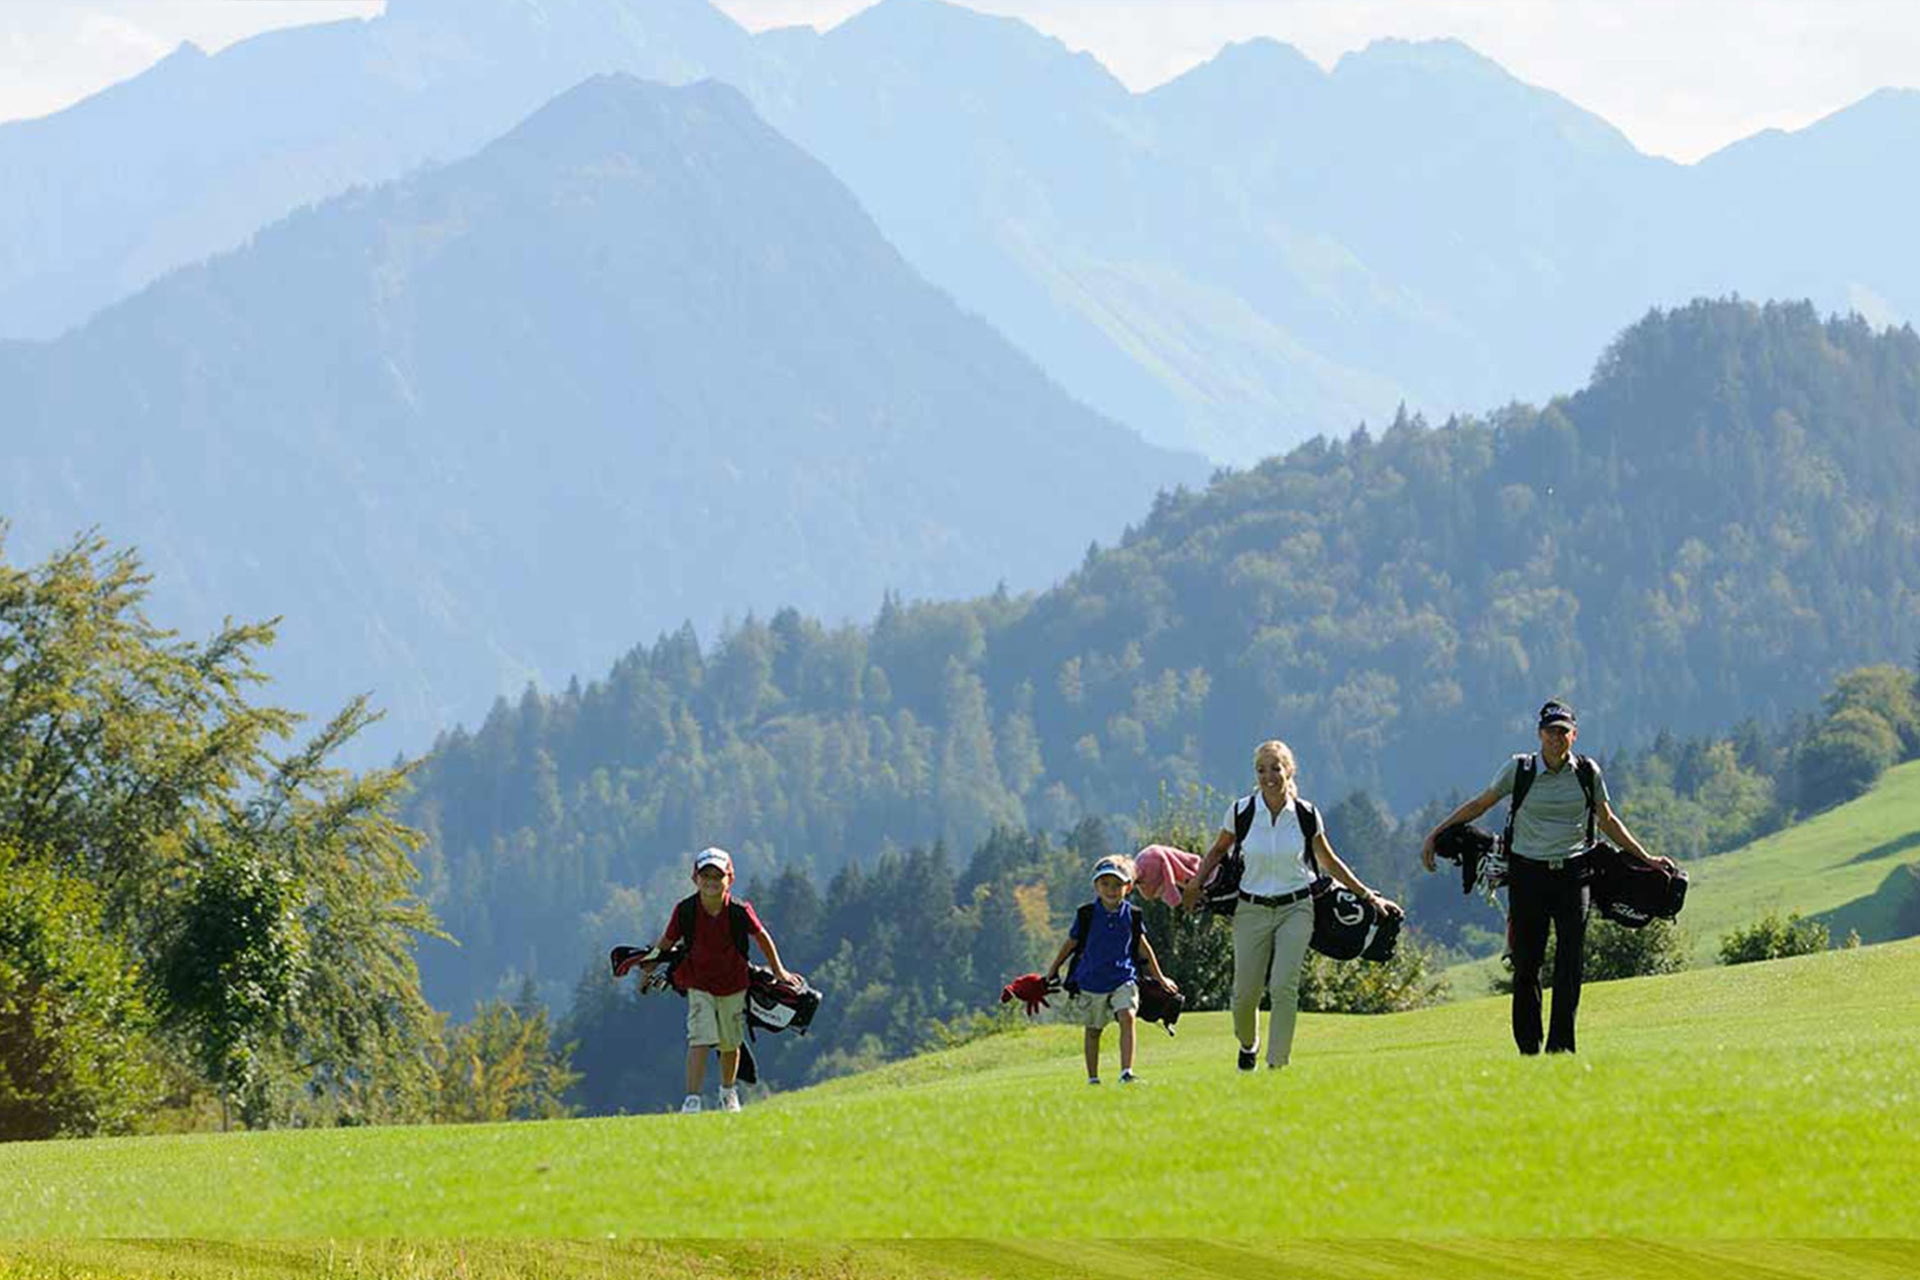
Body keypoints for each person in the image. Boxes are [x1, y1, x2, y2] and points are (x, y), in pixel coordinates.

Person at [1420, 699, 1674, 1055]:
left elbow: (1607, 820)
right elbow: (1480, 804)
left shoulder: (1587, 772)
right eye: (1551, 731)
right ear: (1540, 734)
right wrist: (1435, 834)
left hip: (1575, 875)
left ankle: (1561, 1049)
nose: (1556, 738)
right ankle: (1529, 1048)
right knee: (1527, 964)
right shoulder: (1519, 770)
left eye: (1563, 732)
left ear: (1574, 735)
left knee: (1570, 965)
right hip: (1528, 876)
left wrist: (1645, 858)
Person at [1180, 739, 1400, 1070]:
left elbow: (1329, 861)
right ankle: (1248, 1044)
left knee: (1284, 987)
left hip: (1296, 909)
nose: (1268, 776)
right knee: (1244, 995)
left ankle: (1277, 1065)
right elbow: (1217, 851)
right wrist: (1195, 884)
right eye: (1261, 770)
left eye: (1275, 768)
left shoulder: (1306, 814)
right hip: (1250, 909)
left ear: (1289, 771)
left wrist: (1367, 894)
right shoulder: (1241, 812)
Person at [647, 847, 800, 1113]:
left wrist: (780, 971)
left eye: (717, 876)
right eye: (705, 875)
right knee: (699, 1038)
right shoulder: (685, 911)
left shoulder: (740, 911)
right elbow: (666, 942)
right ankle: (692, 1100)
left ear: (730, 879)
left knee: (730, 1042)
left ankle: (728, 1093)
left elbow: (762, 937)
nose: (711, 881)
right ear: (695, 878)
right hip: (699, 985)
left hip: (734, 986)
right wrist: (648, 968)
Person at [1044, 855, 1177, 1085]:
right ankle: (1093, 1078)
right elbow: (1071, 944)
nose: (1111, 890)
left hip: (1123, 978)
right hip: (1091, 980)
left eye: (1117, 885)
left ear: (1128, 887)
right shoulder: (1086, 915)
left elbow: (1144, 948)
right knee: (1094, 1030)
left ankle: (1126, 1072)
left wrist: (1160, 977)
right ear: (1096, 886)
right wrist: (1053, 970)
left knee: (1127, 1016)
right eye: (1105, 884)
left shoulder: (1132, 915)